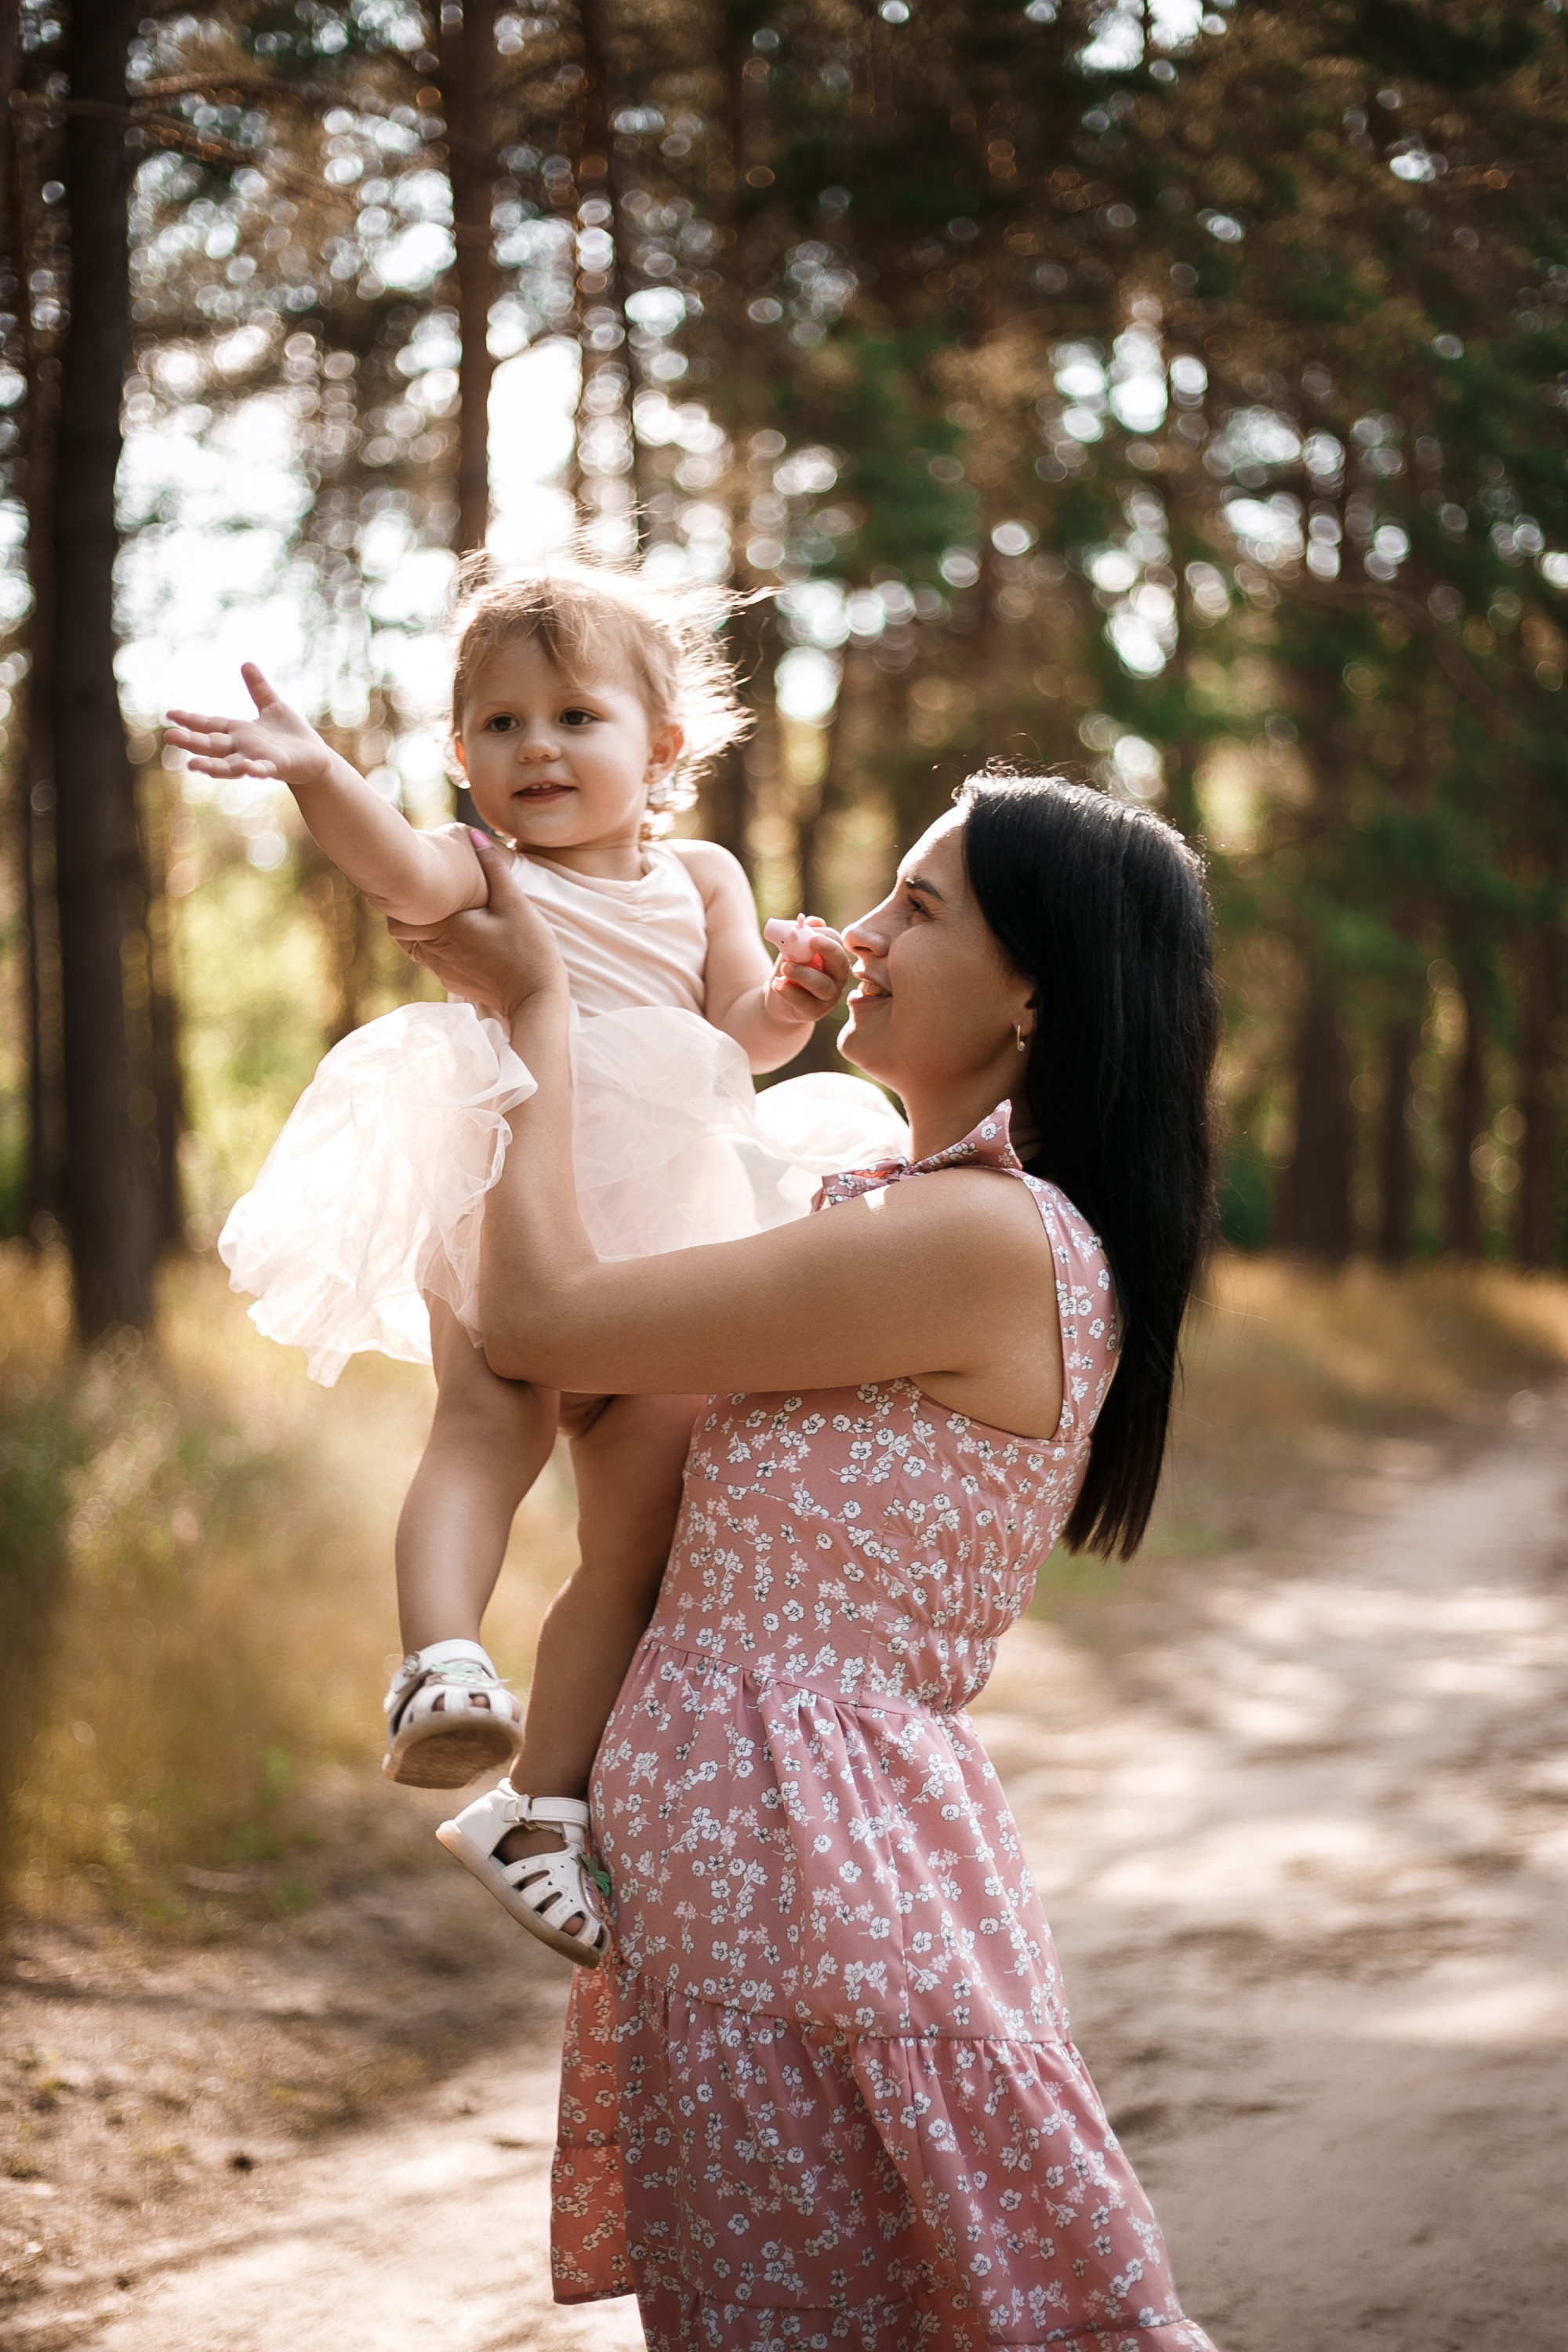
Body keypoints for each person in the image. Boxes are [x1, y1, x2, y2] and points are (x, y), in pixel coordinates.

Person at [394, 772, 1223, 2350]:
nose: (859, 936)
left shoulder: (978, 1240)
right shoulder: (922, 1215)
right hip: (776, 1856)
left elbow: (541, 1321)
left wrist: (539, 1020)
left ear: (1037, 988)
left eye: (918, 905)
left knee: (967, 2299)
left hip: (806, 1862)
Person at [163, 561, 906, 1967]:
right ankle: (440, 1661)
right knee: (486, 1422)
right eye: (499, 725)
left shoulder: (702, 873)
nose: (537, 749)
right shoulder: (478, 870)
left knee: (640, 1526)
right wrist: (317, 773)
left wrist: (794, 993)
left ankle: (541, 1805)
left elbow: (738, 1036)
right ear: (460, 755)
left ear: (662, 749)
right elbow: (390, 861)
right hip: (520, 1191)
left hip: (681, 1238)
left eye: (576, 716)